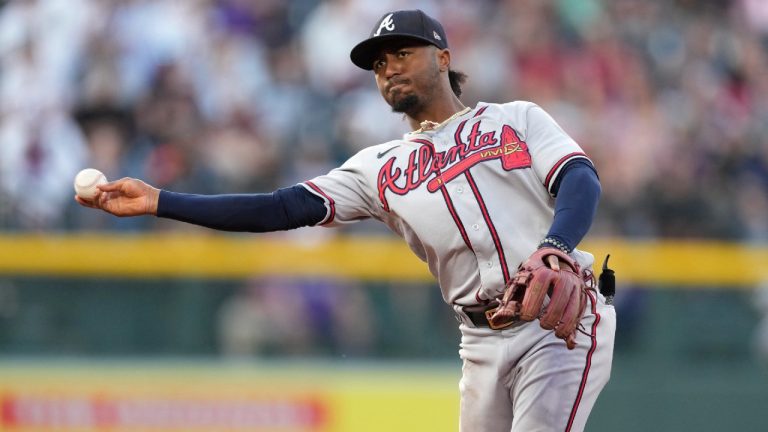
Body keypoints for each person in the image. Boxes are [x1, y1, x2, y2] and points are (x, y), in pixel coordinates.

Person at [76, 9, 615, 432]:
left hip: (556, 321)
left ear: (445, 57)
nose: (390, 69)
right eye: (379, 64)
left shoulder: (515, 118)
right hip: (479, 339)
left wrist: (557, 244)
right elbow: (281, 207)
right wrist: (161, 201)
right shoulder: (378, 168)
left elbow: (578, 177)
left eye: (403, 53)